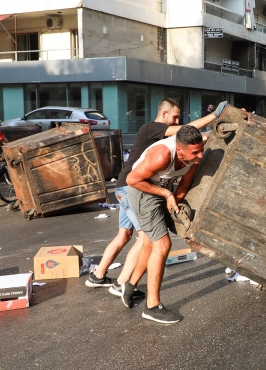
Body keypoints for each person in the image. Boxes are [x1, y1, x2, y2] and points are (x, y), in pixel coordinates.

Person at [85, 98, 227, 297]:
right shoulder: (151, 128)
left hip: (128, 186)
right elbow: (186, 130)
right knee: (147, 238)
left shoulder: (174, 142)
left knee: (124, 235)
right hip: (132, 186)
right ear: (164, 114)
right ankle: (122, 284)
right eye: (175, 117)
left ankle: (97, 276)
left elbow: (190, 138)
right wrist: (214, 116)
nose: (177, 121)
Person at [125, 126, 204, 323]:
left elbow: (184, 184)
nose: (200, 155)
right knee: (163, 244)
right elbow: (131, 179)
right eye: (195, 152)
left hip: (161, 189)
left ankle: (130, 285)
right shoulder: (162, 155)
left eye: (201, 149)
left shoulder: (192, 157)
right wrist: (167, 194)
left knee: (151, 243)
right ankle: (152, 307)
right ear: (179, 150)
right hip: (142, 190)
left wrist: (174, 201)